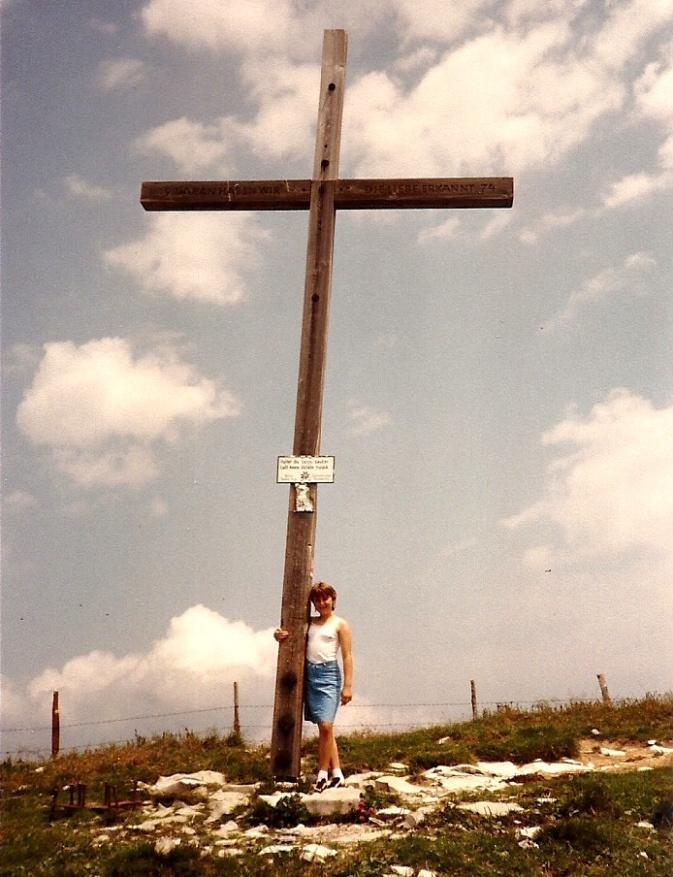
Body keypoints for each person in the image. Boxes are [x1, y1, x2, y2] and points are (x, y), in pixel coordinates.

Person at [274, 581, 353, 791]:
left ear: (333, 599)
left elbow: (347, 655)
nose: (321, 603)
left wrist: (348, 686)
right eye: (317, 600)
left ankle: (322, 774)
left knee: (326, 726)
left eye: (325, 598)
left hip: (329, 675)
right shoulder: (308, 623)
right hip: (310, 675)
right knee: (324, 727)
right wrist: (278, 635)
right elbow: (286, 633)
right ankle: (337, 773)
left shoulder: (340, 624)